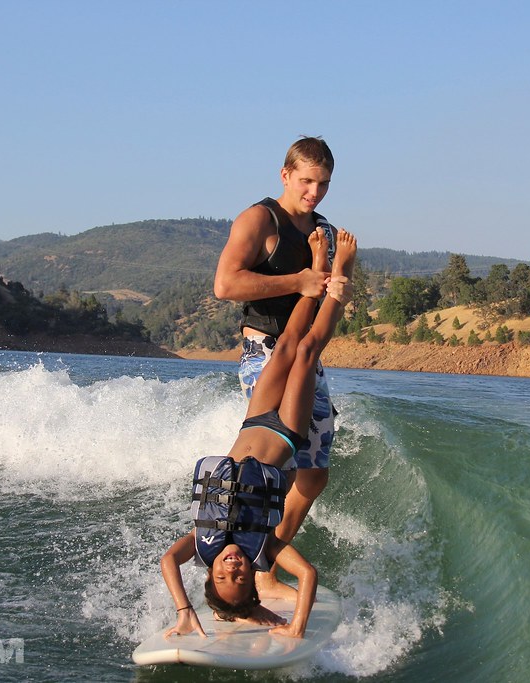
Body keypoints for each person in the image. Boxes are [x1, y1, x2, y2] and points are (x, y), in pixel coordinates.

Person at [161, 228, 357, 639]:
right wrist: (297, 626)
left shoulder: (201, 542)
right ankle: (338, 277)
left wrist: (184, 610)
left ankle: (316, 270)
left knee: (285, 345)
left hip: (252, 422)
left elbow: (167, 562)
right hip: (286, 432)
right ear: (252, 577)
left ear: (209, 574)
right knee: (306, 351)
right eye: (240, 578)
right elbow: (308, 574)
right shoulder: (264, 549)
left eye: (222, 577)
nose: (232, 568)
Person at [213, 137, 343, 593]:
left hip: (307, 354)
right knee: (276, 468)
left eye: (323, 184)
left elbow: (326, 290)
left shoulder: (324, 231)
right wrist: (299, 281)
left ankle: (264, 562)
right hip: (265, 352)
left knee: (314, 473)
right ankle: (244, 567)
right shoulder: (259, 219)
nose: (314, 192)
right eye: (306, 181)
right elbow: (225, 284)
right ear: (285, 175)